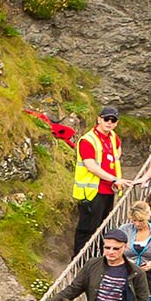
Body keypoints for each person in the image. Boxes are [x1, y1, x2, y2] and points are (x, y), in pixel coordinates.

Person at [25, 102, 122, 256]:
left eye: (113, 120)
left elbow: (116, 155)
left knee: (103, 226)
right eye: (106, 119)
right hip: (92, 192)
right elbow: (91, 166)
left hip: (108, 189)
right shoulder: (88, 140)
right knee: (88, 228)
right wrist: (114, 179)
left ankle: (96, 258)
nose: (109, 122)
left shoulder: (113, 138)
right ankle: (80, 260)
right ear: (99, 119)